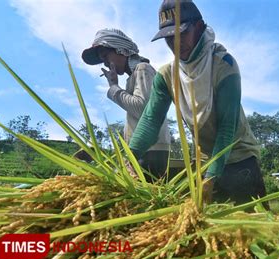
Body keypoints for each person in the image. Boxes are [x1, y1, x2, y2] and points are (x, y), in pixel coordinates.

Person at [129, 0, 268, 208]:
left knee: (252, 230)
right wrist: (129, 159)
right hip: (205, 162)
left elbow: (226, 126)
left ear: (200, 27)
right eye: (168, 38)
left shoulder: (223, 65)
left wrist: (211, 178)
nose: (175, 43)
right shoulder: (167, 75)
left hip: (239, 159)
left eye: (181, 34)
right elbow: (150, 120)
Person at [81, 29, 171, 180]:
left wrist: (114, 88)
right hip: (144, 150)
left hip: (150, 150)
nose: (105, 63)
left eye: (105, 56)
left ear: (121, 50)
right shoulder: (133, 77)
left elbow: (143, 109)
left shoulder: (143, 69)